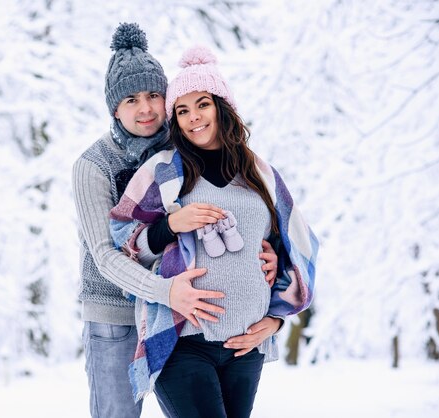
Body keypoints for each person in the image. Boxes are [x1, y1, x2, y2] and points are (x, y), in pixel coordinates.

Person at [72, 24, 279, 418]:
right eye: (131, 99)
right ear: (114, 108)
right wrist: (166, 291)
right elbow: (105, 253)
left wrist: (263, 254)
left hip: (186, 318)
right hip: (116, 314)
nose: (146, 108)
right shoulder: (92, 166)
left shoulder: (186, 144)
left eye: (154, 95)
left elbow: (242, 201)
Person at [109, 46, 319, 418]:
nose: (194, 118)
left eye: (202, 104)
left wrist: (274, 320)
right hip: (182, 340)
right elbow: (124, 239)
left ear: (222, 106)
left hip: (246, 343)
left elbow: (298, 246)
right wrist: (170, 226)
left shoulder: (260, 174)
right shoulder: (162, 171)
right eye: (182, 110)